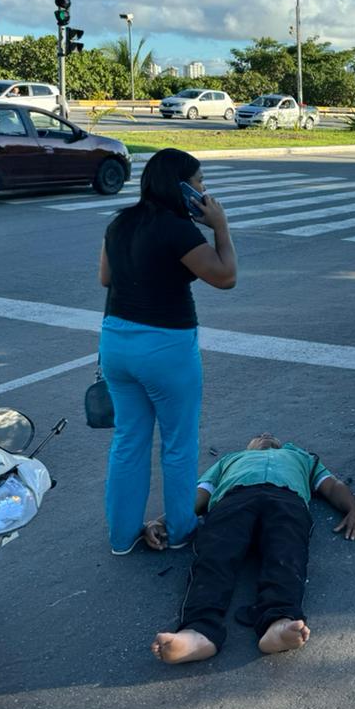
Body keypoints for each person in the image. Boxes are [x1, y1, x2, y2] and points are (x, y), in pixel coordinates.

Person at [98, 148, 238, 555]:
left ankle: (122, 537)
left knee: (128, 441)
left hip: (116, 343)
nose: (204, 189)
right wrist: (221, 226)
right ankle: (180, 531)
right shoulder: (178, 230)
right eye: (199, 182)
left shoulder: (119, 223)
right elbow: (225, 276)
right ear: (180, 187)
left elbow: (106, 278)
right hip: (166, 347)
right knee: (178, 444)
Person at [150, 434, 355, 664]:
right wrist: (163, 521)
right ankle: (198, 631)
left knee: (287, 554)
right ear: (248, 447)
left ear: (281, 445)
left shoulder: (302, 456)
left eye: (270, 435)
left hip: (286, 499)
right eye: (259, 436)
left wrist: (354, 509)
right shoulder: (230, 460)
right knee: (214, 554)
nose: (265, 436)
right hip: (234, 500)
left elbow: (332, 485)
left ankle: (279, 621)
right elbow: (200, 493)